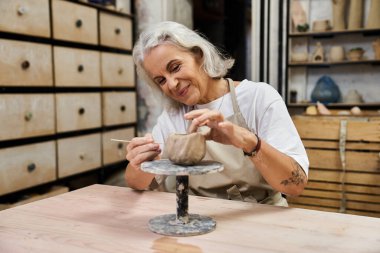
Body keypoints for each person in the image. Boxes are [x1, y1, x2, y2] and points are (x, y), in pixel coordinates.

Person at [125, 21, 309, 206]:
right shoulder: (173, 115)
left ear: (199, 55)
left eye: (175, 67)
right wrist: (141, 162)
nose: (172, 84)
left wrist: (249, 142)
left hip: (259, 213)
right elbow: (136, 184)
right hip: (199, 216)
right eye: (161, 80)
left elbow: (296, 186)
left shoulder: (257, 97)